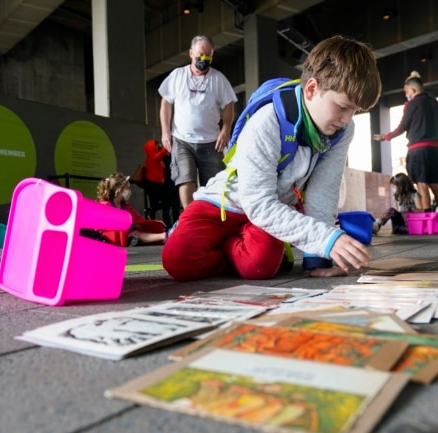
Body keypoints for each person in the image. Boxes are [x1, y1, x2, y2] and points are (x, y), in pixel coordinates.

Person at [162, 35, 382, 281]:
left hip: (265, 213)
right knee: (177, 261)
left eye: (355, 110)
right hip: (223, 203)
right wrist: (326, 239)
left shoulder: (342, 131)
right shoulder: (269, 120)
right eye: (342, 107)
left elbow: (323, 193)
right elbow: (256, 202)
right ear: (311, 89)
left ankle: (226, 246)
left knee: (260, 266)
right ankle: (211, 240)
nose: (347, 119)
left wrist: (319, 258)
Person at [158, 35, 238, 209]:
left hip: (211, 142)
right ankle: (189, 217)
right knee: (185, 179)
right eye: (200, 55)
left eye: (208, 56)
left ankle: (211, 220)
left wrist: (226, 129)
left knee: (214, 184)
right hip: (182, 139)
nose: (204, 60)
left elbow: (229, 105)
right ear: (191, 53)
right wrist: (165, 132)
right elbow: (166, 103)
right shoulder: (177, 75)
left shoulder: (219, 79)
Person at [373, 71, 438, 231]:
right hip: (434, 148)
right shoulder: (437, 104)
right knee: (434, 184)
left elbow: (403, 126)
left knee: (421, 183)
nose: (406, 95)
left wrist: (386, 137)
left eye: (406, 91)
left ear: (413, 90)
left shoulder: (412, 104)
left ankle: (428, 217)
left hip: (418, 149)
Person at [96, 173, 167, 246]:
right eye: (127, 188)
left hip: (123, 237)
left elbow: (141, 220)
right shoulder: (104, 206)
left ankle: (164, 236)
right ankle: (165, 236)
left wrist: (154, 225)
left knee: (136, 233)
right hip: (108, 239)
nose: (129, 191)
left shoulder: (126, 207)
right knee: (136, 234)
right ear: (120, 190)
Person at [142, 139, 174, 228]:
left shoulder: (154, 158)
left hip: (157, 185)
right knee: (156, 206)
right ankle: (152, 224)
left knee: (158, 205)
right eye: (156, 145)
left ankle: (152, 224)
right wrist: (167, 145)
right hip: (152, 185)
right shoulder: (152, 157)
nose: (158, 146)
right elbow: (160, 154)